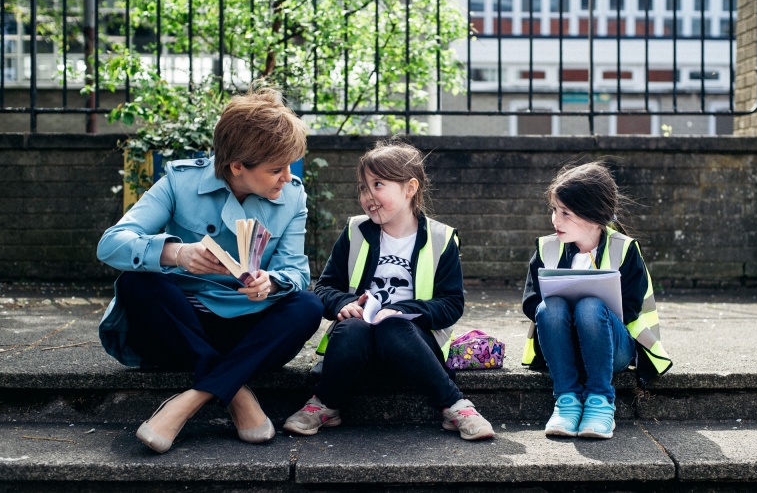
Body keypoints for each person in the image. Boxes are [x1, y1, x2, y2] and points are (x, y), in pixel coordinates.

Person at [96, 86, 323, 453]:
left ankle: (188, 401)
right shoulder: (180, 182)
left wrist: (273, 282)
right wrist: (177, 253)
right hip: (182, 326)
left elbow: (296, 272)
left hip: (248, 328)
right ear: (237, 167)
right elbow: (112, 243)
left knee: (308, 306)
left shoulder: (293, 196)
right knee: (137, 284)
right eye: (276, 169)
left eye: (289, 167)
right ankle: (237, 391)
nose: (286, 177)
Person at [282, 140, 494, 441]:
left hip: (412, 346)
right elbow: (325, 287)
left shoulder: (440, 238)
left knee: (393, 327)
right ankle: (325, 405)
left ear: (410, 188)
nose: (368, 196)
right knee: (352, 328)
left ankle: (456, 406)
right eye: (363, 188)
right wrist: (345, 303)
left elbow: (451, 304)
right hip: (355, 348)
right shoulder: (355, 231)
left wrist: (405, 311)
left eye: (378, 185)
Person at [521, 162, 672, 439]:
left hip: (612, 348)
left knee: (590, 307)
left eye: (565, 213)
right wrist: (562, 305)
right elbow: (531, 303)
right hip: (562, 348)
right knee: (550, 307)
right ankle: (566, 400)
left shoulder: (624, 249)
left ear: (593, 215)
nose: (556, 220)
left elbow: (630, 308)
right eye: (554, 210)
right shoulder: (546, 248)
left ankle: (600, 401)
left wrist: (585, 306)